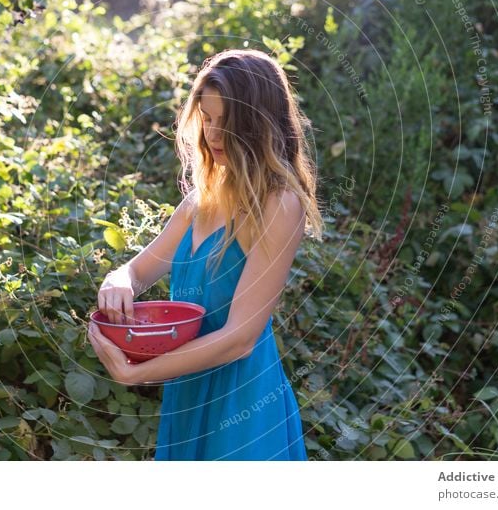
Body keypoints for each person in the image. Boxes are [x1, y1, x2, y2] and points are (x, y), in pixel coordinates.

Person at [88, 48, 324, 460]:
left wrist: (135, 374)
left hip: (241, 401)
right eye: (207, 120)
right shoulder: (202, 200)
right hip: (189, 389)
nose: (212, 136)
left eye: (227, 124)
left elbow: (239, 340)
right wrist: (116, 283)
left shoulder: (279, 203)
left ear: (258, 126)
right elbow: (137, 270)